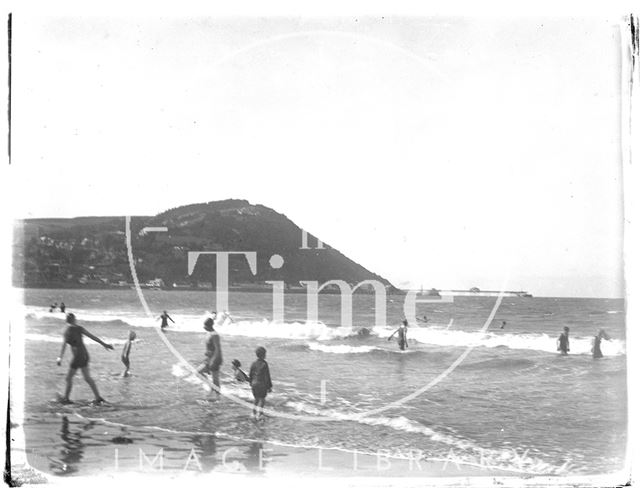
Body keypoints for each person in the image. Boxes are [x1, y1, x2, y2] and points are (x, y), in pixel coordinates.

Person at [57, 313, 114, 404]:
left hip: (78, 357)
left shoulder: (67, 330)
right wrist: (104, 344)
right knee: (87, 377)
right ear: (74, 319)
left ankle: (66, 399)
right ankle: (98, 397)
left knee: (69, 378)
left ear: (66, 320)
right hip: (85, 355)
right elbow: (93, 337)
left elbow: (64, 345)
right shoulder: (79, 328)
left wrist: (60, 357)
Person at [196, 317, 223, 397]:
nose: (204, 327)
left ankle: (218, 396)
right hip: (209, 359)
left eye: (205, 326)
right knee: (198, 372)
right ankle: (211, 388)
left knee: (215, 379)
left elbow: (218, 349)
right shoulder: (209, 333)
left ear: (209, 326)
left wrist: (214, 360)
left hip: (215, 359)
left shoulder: (215, 335)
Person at [249, 346, 273, 421]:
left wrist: (250, 382)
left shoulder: (253, 363)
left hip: (254, 383)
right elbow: (267, 376)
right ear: (263, 355)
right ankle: (260, 414)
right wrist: (269, 386)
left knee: (256, 399)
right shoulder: (264, 364)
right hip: (261, 384)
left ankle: (253, 413)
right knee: (262, 399)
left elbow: (250, 374)